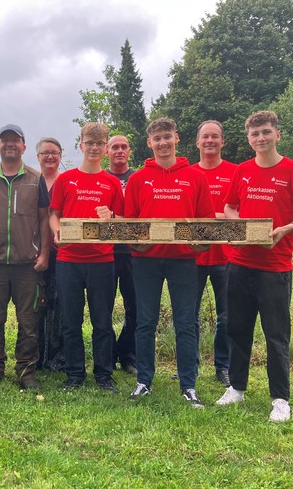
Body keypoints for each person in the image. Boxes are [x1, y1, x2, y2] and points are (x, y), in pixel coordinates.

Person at [216, 111, 293, 422]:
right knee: (238, 329)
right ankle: (236, 388)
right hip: (239, 264)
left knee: (276, 334)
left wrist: (289, 227)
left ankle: (280, 398)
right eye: (255, 134)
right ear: (249, 139)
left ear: (277, 134)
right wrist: (241, 228)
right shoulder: (242, 171)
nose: (260, 138)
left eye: (266, 132)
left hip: (276, 267)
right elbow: (229, 207)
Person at [125, 117, 214, 407]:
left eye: (167, 137)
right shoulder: (138, 179)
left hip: (183, 261)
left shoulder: (195, 177)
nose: (162, 143)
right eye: (157, 139)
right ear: (149, 143)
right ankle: (143, 381)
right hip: (145, 261)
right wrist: (138, 240)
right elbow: (130, 226)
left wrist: (196, 240)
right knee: (145, 322)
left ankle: (188, 385)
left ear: (176, 139)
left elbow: (206, 225)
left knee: (186, 322)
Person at [0, 124, 50, 390]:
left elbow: (44, 218)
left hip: (28, 264)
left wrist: (45, 254)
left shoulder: (35, 178)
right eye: (5, 140)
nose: (10, 144)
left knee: (29, 321)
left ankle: (26, 372)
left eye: (15, 140)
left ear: (24, 146)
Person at [50, 123, 124, 391]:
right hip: (68, 260)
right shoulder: (65, 179)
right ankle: (75, 374)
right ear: (80, 145)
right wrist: (56, 231)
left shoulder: (112, 182)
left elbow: (123, 220)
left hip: (102, 260)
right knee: (71, 321)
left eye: (99, 143)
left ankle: (104, 375)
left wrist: (112, 217)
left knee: (102, 321)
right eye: (88, 142)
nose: (94, 147)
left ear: (105, 148)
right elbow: (54, 214)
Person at [191, 121, 237, 388]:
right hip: (192, 257)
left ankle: (223, 366)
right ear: (197, 142)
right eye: (205, 137)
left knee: (227, 316)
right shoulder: (187, 173)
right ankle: (190, 364)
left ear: (222, 141)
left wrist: (211, 218)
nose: (210, 140)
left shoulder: (236, 172)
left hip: (227, 256)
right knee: (189, 315)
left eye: (215, 137)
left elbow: (241, 215)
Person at [105, 135, 138, 375]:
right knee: (103, 307)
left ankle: (128, 355)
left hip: (134, 251)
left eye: (123, 147)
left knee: (135, 307)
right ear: (107, 151)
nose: (119, 151)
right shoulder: (101, 178)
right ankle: (106, 355)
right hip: (105, 252)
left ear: (129, 151)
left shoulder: (138, 178)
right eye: (114, 147)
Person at [35, 137, 65, 371]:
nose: (50, 157)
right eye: (45, 153)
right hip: (32, 253)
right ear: (37, 156)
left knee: (57, 305)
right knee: (36, 305)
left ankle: (55, 357)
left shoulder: (66, 181)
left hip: (59, 252)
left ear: (60, 156)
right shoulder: (31, 181)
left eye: (54, 152)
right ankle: (35, 356)